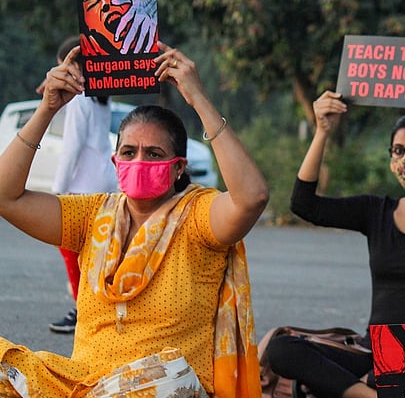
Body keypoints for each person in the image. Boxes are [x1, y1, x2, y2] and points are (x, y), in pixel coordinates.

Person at [0, 42, 269, 397]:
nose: (139, 160)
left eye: (154, 153)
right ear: (115, 163)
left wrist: (198, 98)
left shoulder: (198, 216)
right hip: (85, 382)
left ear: (178, 169)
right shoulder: (92, 214)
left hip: (162, 387)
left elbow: (252, 197)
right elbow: (7, 196)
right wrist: (48, 109)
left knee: (164, 381)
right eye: (129, 152)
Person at [266, 91, 405, 398]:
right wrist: (322, 131)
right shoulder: (375, 211)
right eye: (398, 150)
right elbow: (304, 205)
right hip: (374, 352)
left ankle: (365, 390)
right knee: (282, 348)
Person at [43, 36, 119, 334]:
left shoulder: (78, 101)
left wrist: (57, 189)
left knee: (70, 250)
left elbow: (71, 148)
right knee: (96, 251)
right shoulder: (101, 97)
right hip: (103, 179)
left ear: (75, 67)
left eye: (63, 66)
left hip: (82, 185)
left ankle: (81, 310)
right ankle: (97, 308)